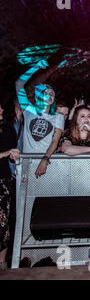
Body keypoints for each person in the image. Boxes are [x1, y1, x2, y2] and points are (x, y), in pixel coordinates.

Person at [15, 60, 65, 178]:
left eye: (52, 93)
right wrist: (35, 66)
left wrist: (45, 158)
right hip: (27, 161)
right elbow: (19, 83)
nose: (50, 95)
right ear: (38, 96)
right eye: (46, 93)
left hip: (46, 162)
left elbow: (55, 141)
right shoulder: (28, 110)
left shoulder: (58, 116)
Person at [0, 102, 20, 270]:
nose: (1, 110)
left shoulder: (7, 129)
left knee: (4, 223)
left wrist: (13, 154)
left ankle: (2, 263)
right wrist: (6, 153)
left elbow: (13, 149)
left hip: (4, 180)